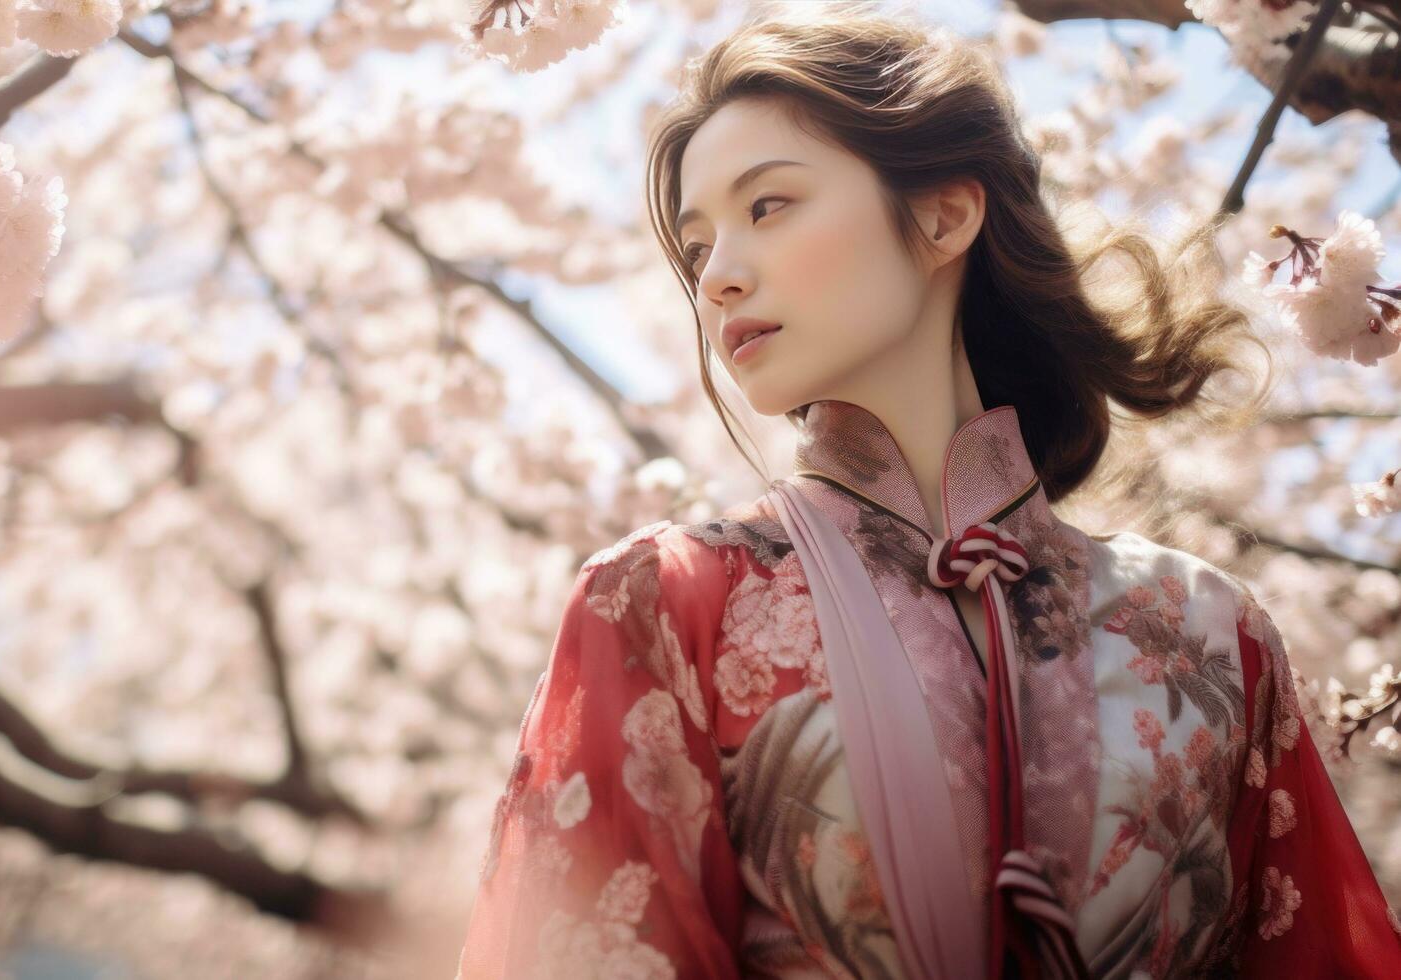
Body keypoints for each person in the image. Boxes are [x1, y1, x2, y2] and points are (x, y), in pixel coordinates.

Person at [456, 5, 1401, 978]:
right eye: (695, 250)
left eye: (766, 206)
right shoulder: (663, 602)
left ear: (944, 214)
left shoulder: (1208, 630)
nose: (718, 279)